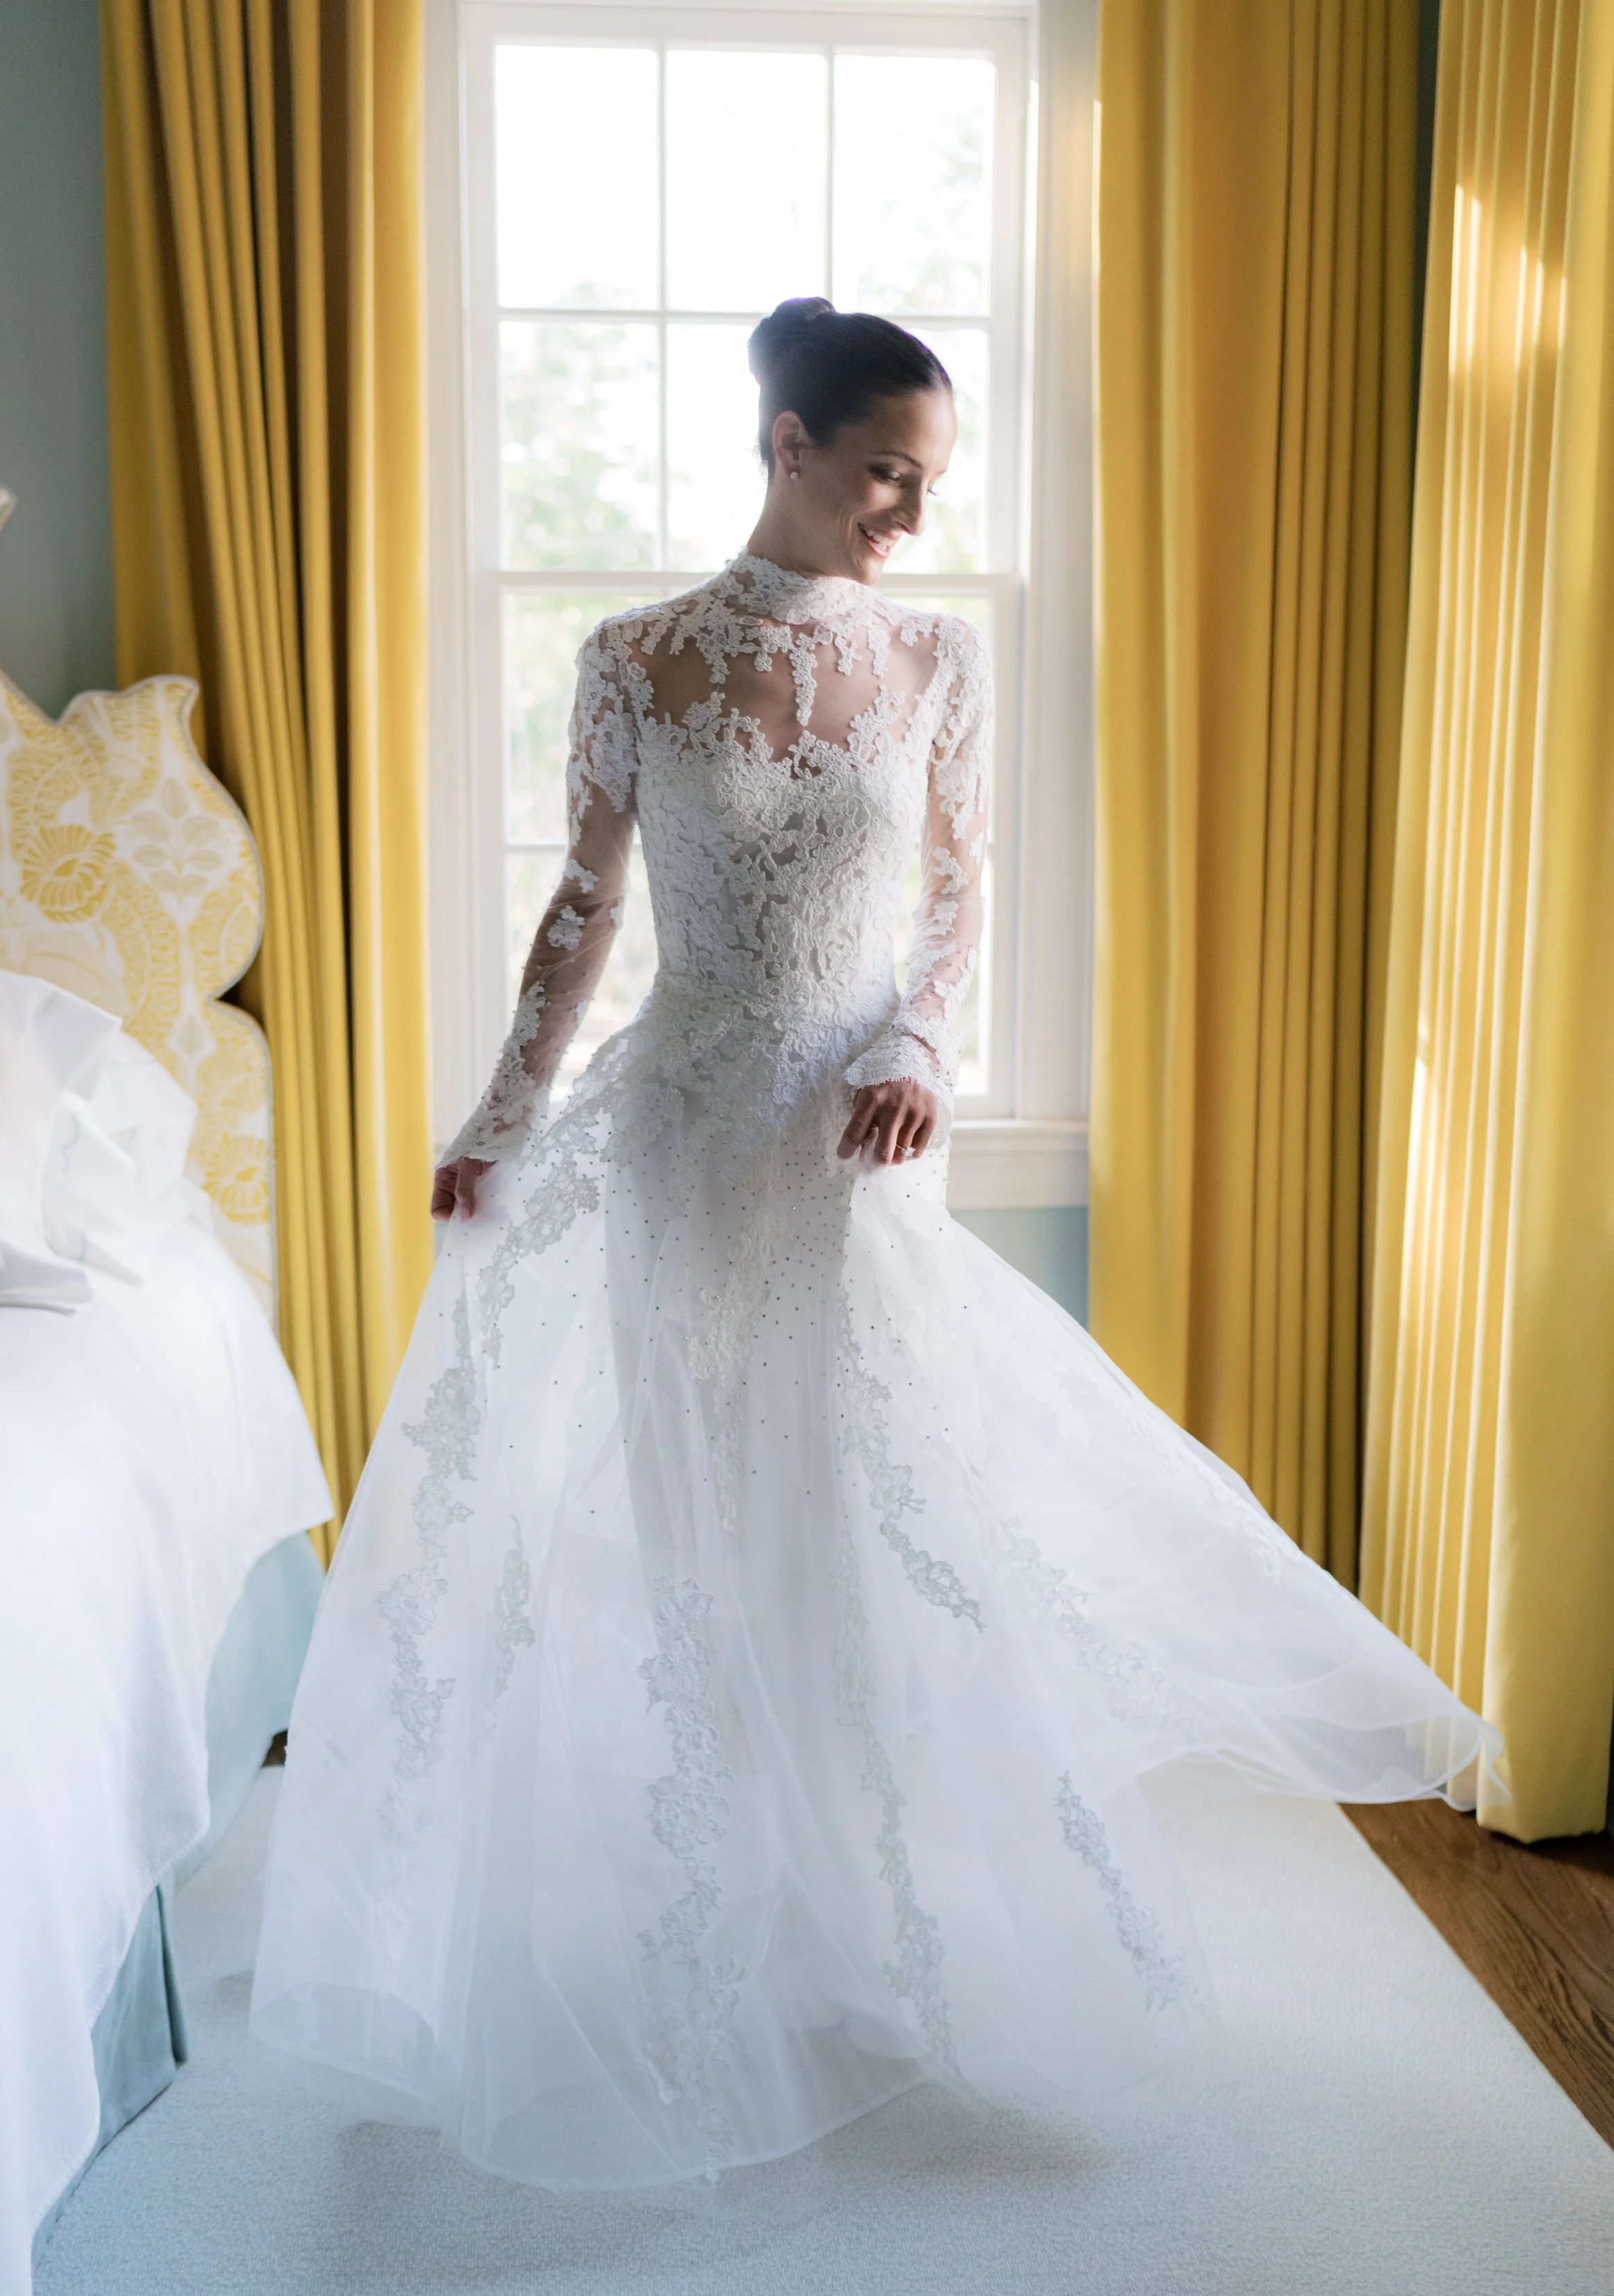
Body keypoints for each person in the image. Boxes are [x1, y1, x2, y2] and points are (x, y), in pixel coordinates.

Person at [251, 296, 1496, 2191]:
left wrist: (919, 1043)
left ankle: (870, 1904)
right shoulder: (632, 658)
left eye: (929, 480)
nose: (913, 514)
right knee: (696, 1519)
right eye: (888, 475)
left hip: (850, 1143)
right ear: (790, 447)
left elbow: (953, 895)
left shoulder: (934, 656)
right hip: (679, 1138)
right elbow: (583, 908)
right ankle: (735, 1896)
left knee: (855, 1510)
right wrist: (501, 1113)